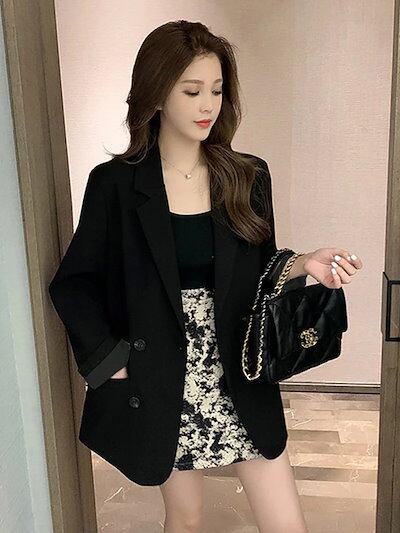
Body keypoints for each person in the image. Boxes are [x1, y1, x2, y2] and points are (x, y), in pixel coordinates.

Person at [49, 20, 362, 533]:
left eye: (216, 90)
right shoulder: (115, 184)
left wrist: (304, 262)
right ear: (156, 94)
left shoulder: (247, 174)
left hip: (239, 365)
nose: (208, 106)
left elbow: (259, 269)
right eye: (192, 91)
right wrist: (112, 364)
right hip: (162, 374)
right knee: (186, 518)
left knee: (287, 523)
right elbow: (74, 283)